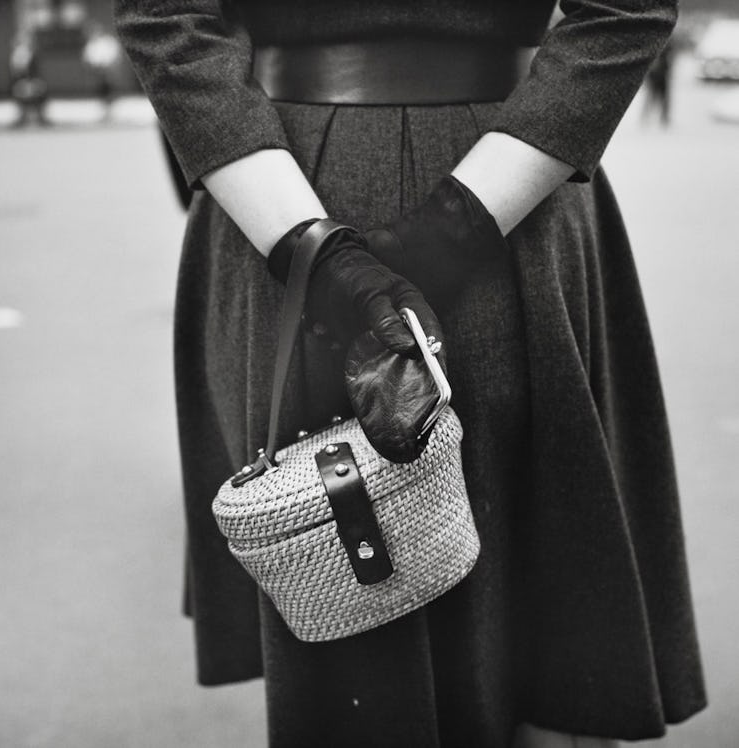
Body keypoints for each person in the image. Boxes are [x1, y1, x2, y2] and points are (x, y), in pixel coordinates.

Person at [114, 1, 707, 747]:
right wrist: (439, 233)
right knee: (492, 616)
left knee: (363, 623)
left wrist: (320, 252)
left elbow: (169, 22)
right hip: (500, 191)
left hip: (295, 205)